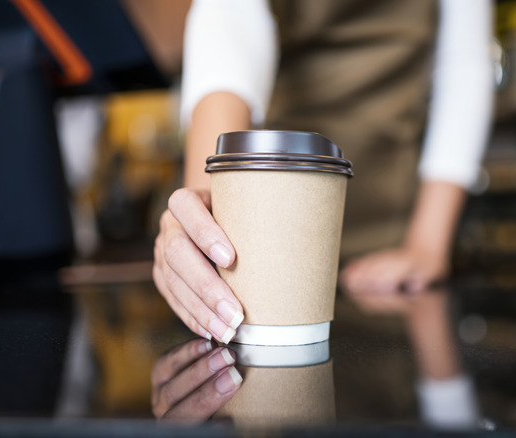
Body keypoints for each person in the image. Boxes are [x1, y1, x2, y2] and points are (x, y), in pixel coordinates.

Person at [153, 0, 494, 344]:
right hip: (260, 232)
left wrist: (427, 245)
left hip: (385, 238)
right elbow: (232, 18)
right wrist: (205, 214)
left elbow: (463, 63)